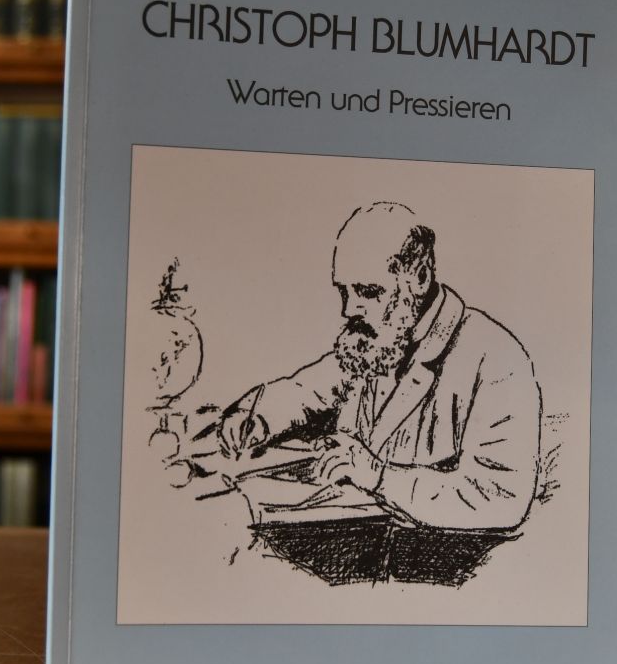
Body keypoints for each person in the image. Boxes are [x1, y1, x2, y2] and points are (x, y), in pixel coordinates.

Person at [219, 201, 541, 532]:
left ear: (420, 277)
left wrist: (378, 475)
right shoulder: (377, 341)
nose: (349, 309)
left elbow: (501, 499)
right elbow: (308, 388)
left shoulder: (495, 358)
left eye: (368, 291)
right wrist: (257, 416)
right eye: (344, 291)